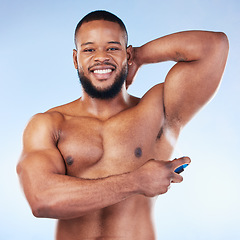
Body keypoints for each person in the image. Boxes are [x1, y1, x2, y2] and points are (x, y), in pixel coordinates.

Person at [16, 10, 229, 240]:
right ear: (76, 59)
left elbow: (214, 46)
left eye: (112, 48)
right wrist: (137, 181)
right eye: (89, 49)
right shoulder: (48, 124)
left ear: (126, 54)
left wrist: (140, 56)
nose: (101, 57)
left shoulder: (157, 111)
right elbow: (41, 199)